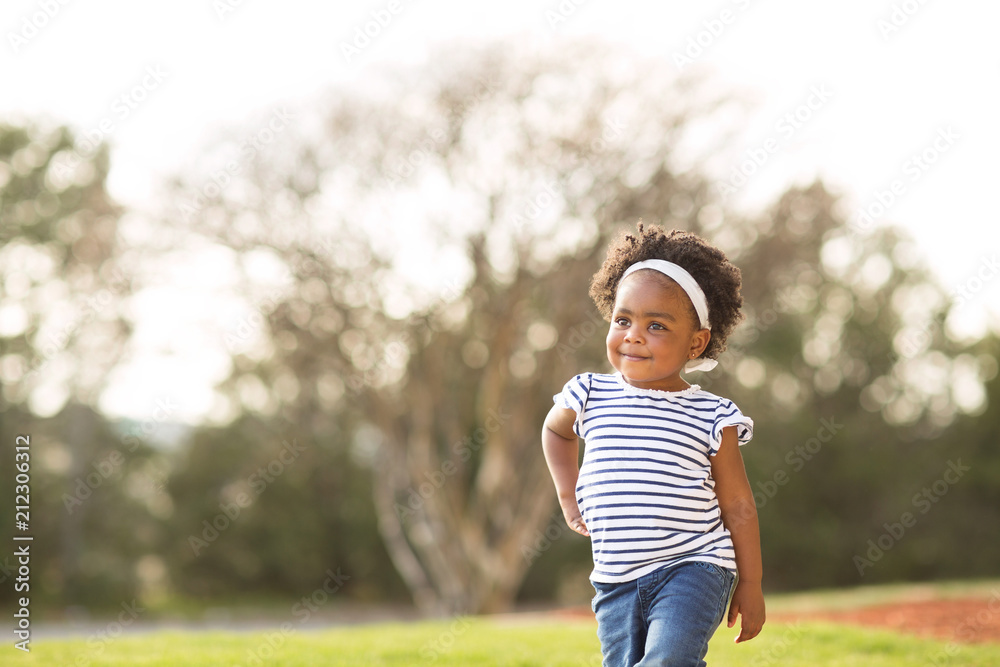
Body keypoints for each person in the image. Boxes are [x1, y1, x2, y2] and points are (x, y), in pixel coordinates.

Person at [542, 222, 765, 666]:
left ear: (696, 342)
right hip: (614, 580)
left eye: (656, 325)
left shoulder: (711, 416)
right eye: (623, 319)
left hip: (694, 566)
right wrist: (569, 495)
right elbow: (555, 431)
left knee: (668, 661)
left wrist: (752, 583)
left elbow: (739, 503)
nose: (634, 334)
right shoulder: (588, 393)